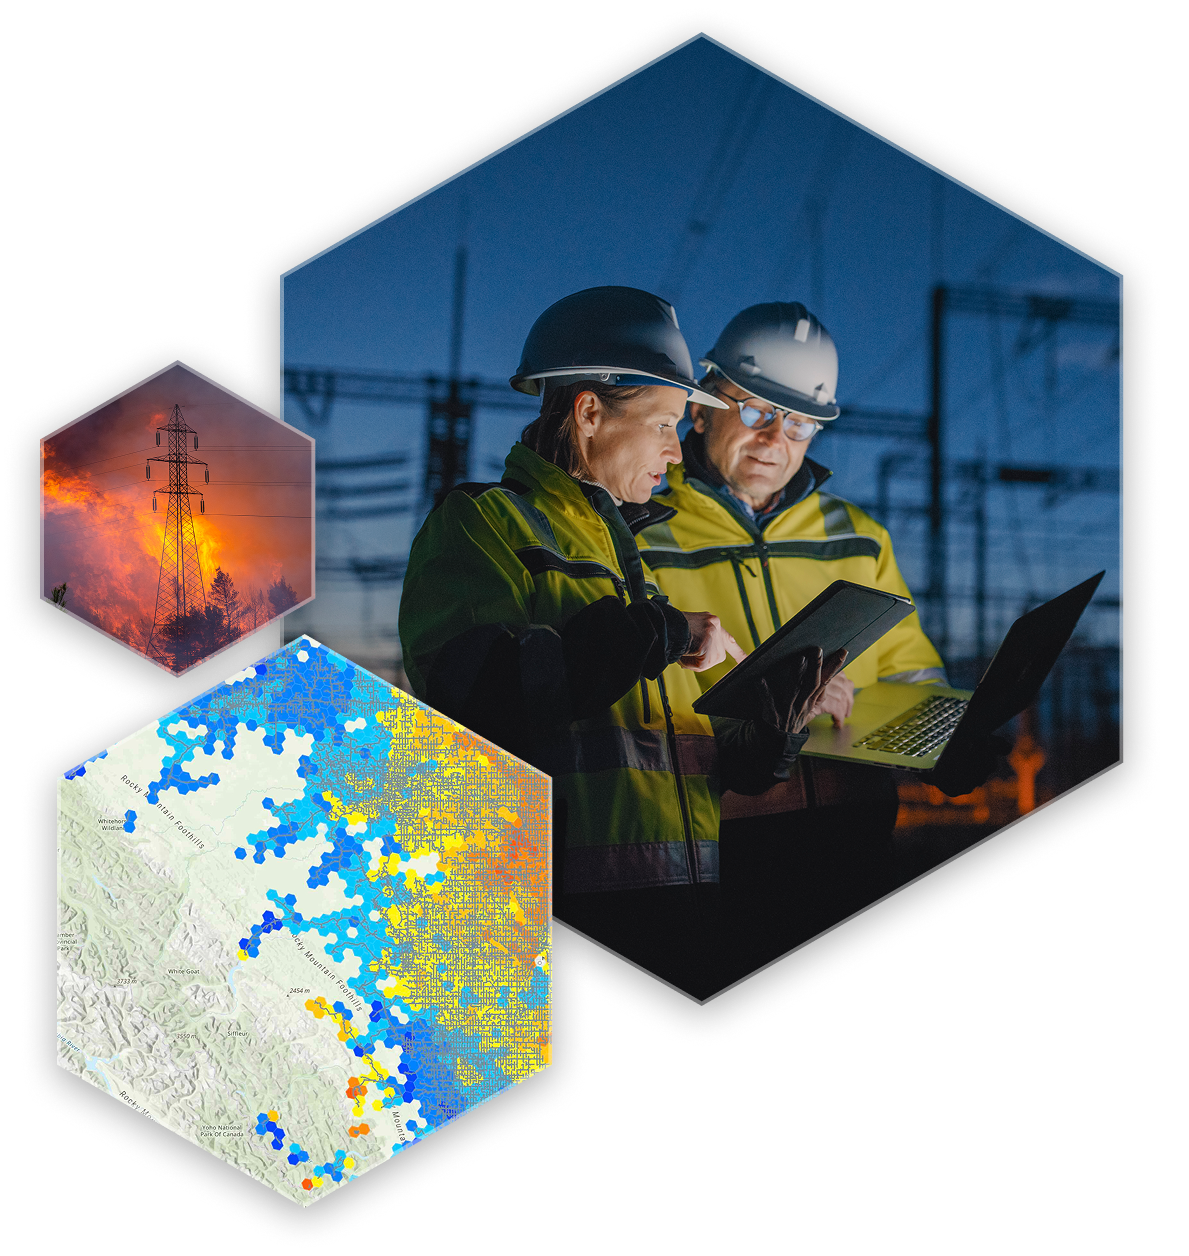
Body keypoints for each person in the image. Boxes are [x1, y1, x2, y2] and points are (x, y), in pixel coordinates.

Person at [398, 287, 845, 997]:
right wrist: (657, 632)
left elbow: (676, 762)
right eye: (665, 423)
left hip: (687, 915)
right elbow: (481, 695)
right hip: (561, 922)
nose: (678, 446)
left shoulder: (630, 562)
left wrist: (772, 732)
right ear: (588, 414)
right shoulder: (481, 526)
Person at [635, 302, 992, 963]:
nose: (775, 438)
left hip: (850, 851)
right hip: (708, 855)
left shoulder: (857, 536)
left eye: (799, 422)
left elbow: (909, 672)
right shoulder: (638, 529)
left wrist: (948, 741)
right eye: (753, 410)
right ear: (701, 404)